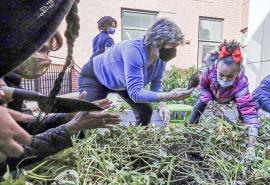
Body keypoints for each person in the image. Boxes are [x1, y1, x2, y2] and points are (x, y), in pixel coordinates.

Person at [0, 0, 121, 170]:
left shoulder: (9, 79)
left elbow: (24, 125)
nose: (45, 58)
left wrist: (68, 117)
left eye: (48, 52)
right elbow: (13, 154)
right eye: (40, 48)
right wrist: (70, 129)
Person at [79, 18, 194, 126]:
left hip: (122, 81)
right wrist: (169, 96)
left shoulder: (160, 61)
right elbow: (135, 93)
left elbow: (156, 85)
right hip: (95, 76)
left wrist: (163, 105)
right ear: (157, 41)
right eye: (172, 46)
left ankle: (141, 137)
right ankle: (77, 139)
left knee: (145, 111)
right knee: (86, 117)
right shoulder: (134, 50)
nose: (174, 51)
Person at [188, 40, 259, 148]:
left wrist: (251, 141)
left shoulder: (241, 83)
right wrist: (211, 104)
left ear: (237, 73)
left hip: (231, 96)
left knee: (243, 112)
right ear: (216, 67)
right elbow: (203, 88)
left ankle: (242, 132)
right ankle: (190, 130)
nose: (225, 79)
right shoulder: (208, 71)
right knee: (199, 106)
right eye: (221, 75)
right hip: (212, 93)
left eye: (230, 77)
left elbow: (248, 111)